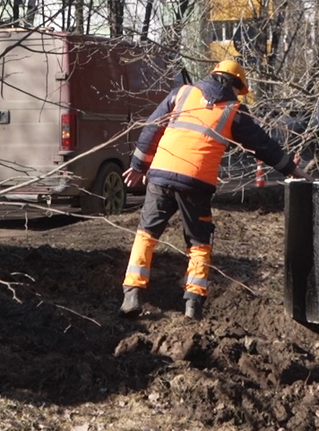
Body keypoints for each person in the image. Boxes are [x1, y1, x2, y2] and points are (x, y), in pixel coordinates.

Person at [119, 57, 300, 321]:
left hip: (160, 175)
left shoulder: (180, 94)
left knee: (146, 233)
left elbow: (152, 128)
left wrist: (138, 165)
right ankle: (193, 304)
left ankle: (132, 294)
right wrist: (291, 170)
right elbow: (264, 146)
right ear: (236, 86)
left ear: (213, 75)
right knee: (199, 242)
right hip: (196, 182)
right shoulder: (234, 110)